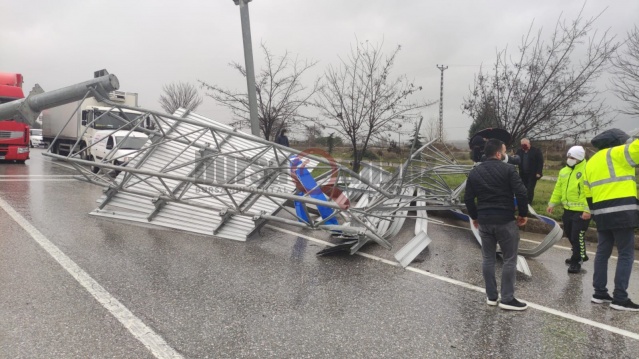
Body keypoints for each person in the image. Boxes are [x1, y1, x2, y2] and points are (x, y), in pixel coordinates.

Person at [464, 138, 529, 311]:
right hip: (505, 220)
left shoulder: (475, 172)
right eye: (505, 150)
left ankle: (491, 297)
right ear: (499, 153)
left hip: (484, 222)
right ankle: (507, 298)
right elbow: (522, 193)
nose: (506, 153)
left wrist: (475, 217)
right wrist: (523, 214)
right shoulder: (508, 169)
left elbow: (468, 198)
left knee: (488, 258)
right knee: (509, 259)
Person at [584, 128, 639, 311]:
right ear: (616, 142)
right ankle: (620, 298)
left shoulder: (590, 162)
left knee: (602, 253)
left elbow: (587, 191)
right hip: (622, 211)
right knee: (626, 253)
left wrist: (595, 212)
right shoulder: (617, 152)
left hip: (601, 212)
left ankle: (599, 293)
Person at [546, 146, 591, 274]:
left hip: (582, 211)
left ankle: (577, 261)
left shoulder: (587, 170)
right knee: (570, 233)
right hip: (568, 210)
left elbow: (590, 192)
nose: (569, 159)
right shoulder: (564, 171)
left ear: (580, 158)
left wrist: (588, 209)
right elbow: (558, 188)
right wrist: (552, 203)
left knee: (577, 236)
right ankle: (580, 254)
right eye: (569, 157)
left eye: (572, 158)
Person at [515, 138, 544, 203]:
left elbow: (540, 162)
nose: (524, 146)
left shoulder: (536, 151)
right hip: (522, 173)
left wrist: (539, 172)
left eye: (525, 144)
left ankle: (528, 203)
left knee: (530, 188)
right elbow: (515, 159)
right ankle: (523, 201)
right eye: (522, 145)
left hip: (533, 174)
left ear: (529, 143)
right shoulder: (519, 151)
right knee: (523, 188)